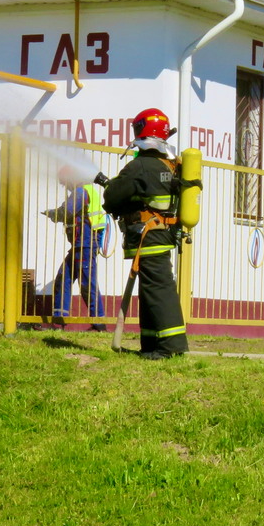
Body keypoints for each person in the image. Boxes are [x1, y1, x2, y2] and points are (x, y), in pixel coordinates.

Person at [101, 107, 188, 359]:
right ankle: (151, 345)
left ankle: (171, 347)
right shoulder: (168, 164)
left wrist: (112, 186)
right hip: (162, 234)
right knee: (152, 288)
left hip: (148, 236)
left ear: (140, 131)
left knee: (159, 289)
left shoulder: (139, 166)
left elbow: (112, 199)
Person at [43, 164, 108, 331]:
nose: (65, 186)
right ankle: (59, 320)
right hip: (81, 244)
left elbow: (67, 212)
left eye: (65, 182)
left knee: (87, 284)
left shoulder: (81, 192)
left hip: (85, 244)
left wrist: (52, 213)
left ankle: (98, 324)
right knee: (63, 277)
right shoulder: (85, 190)